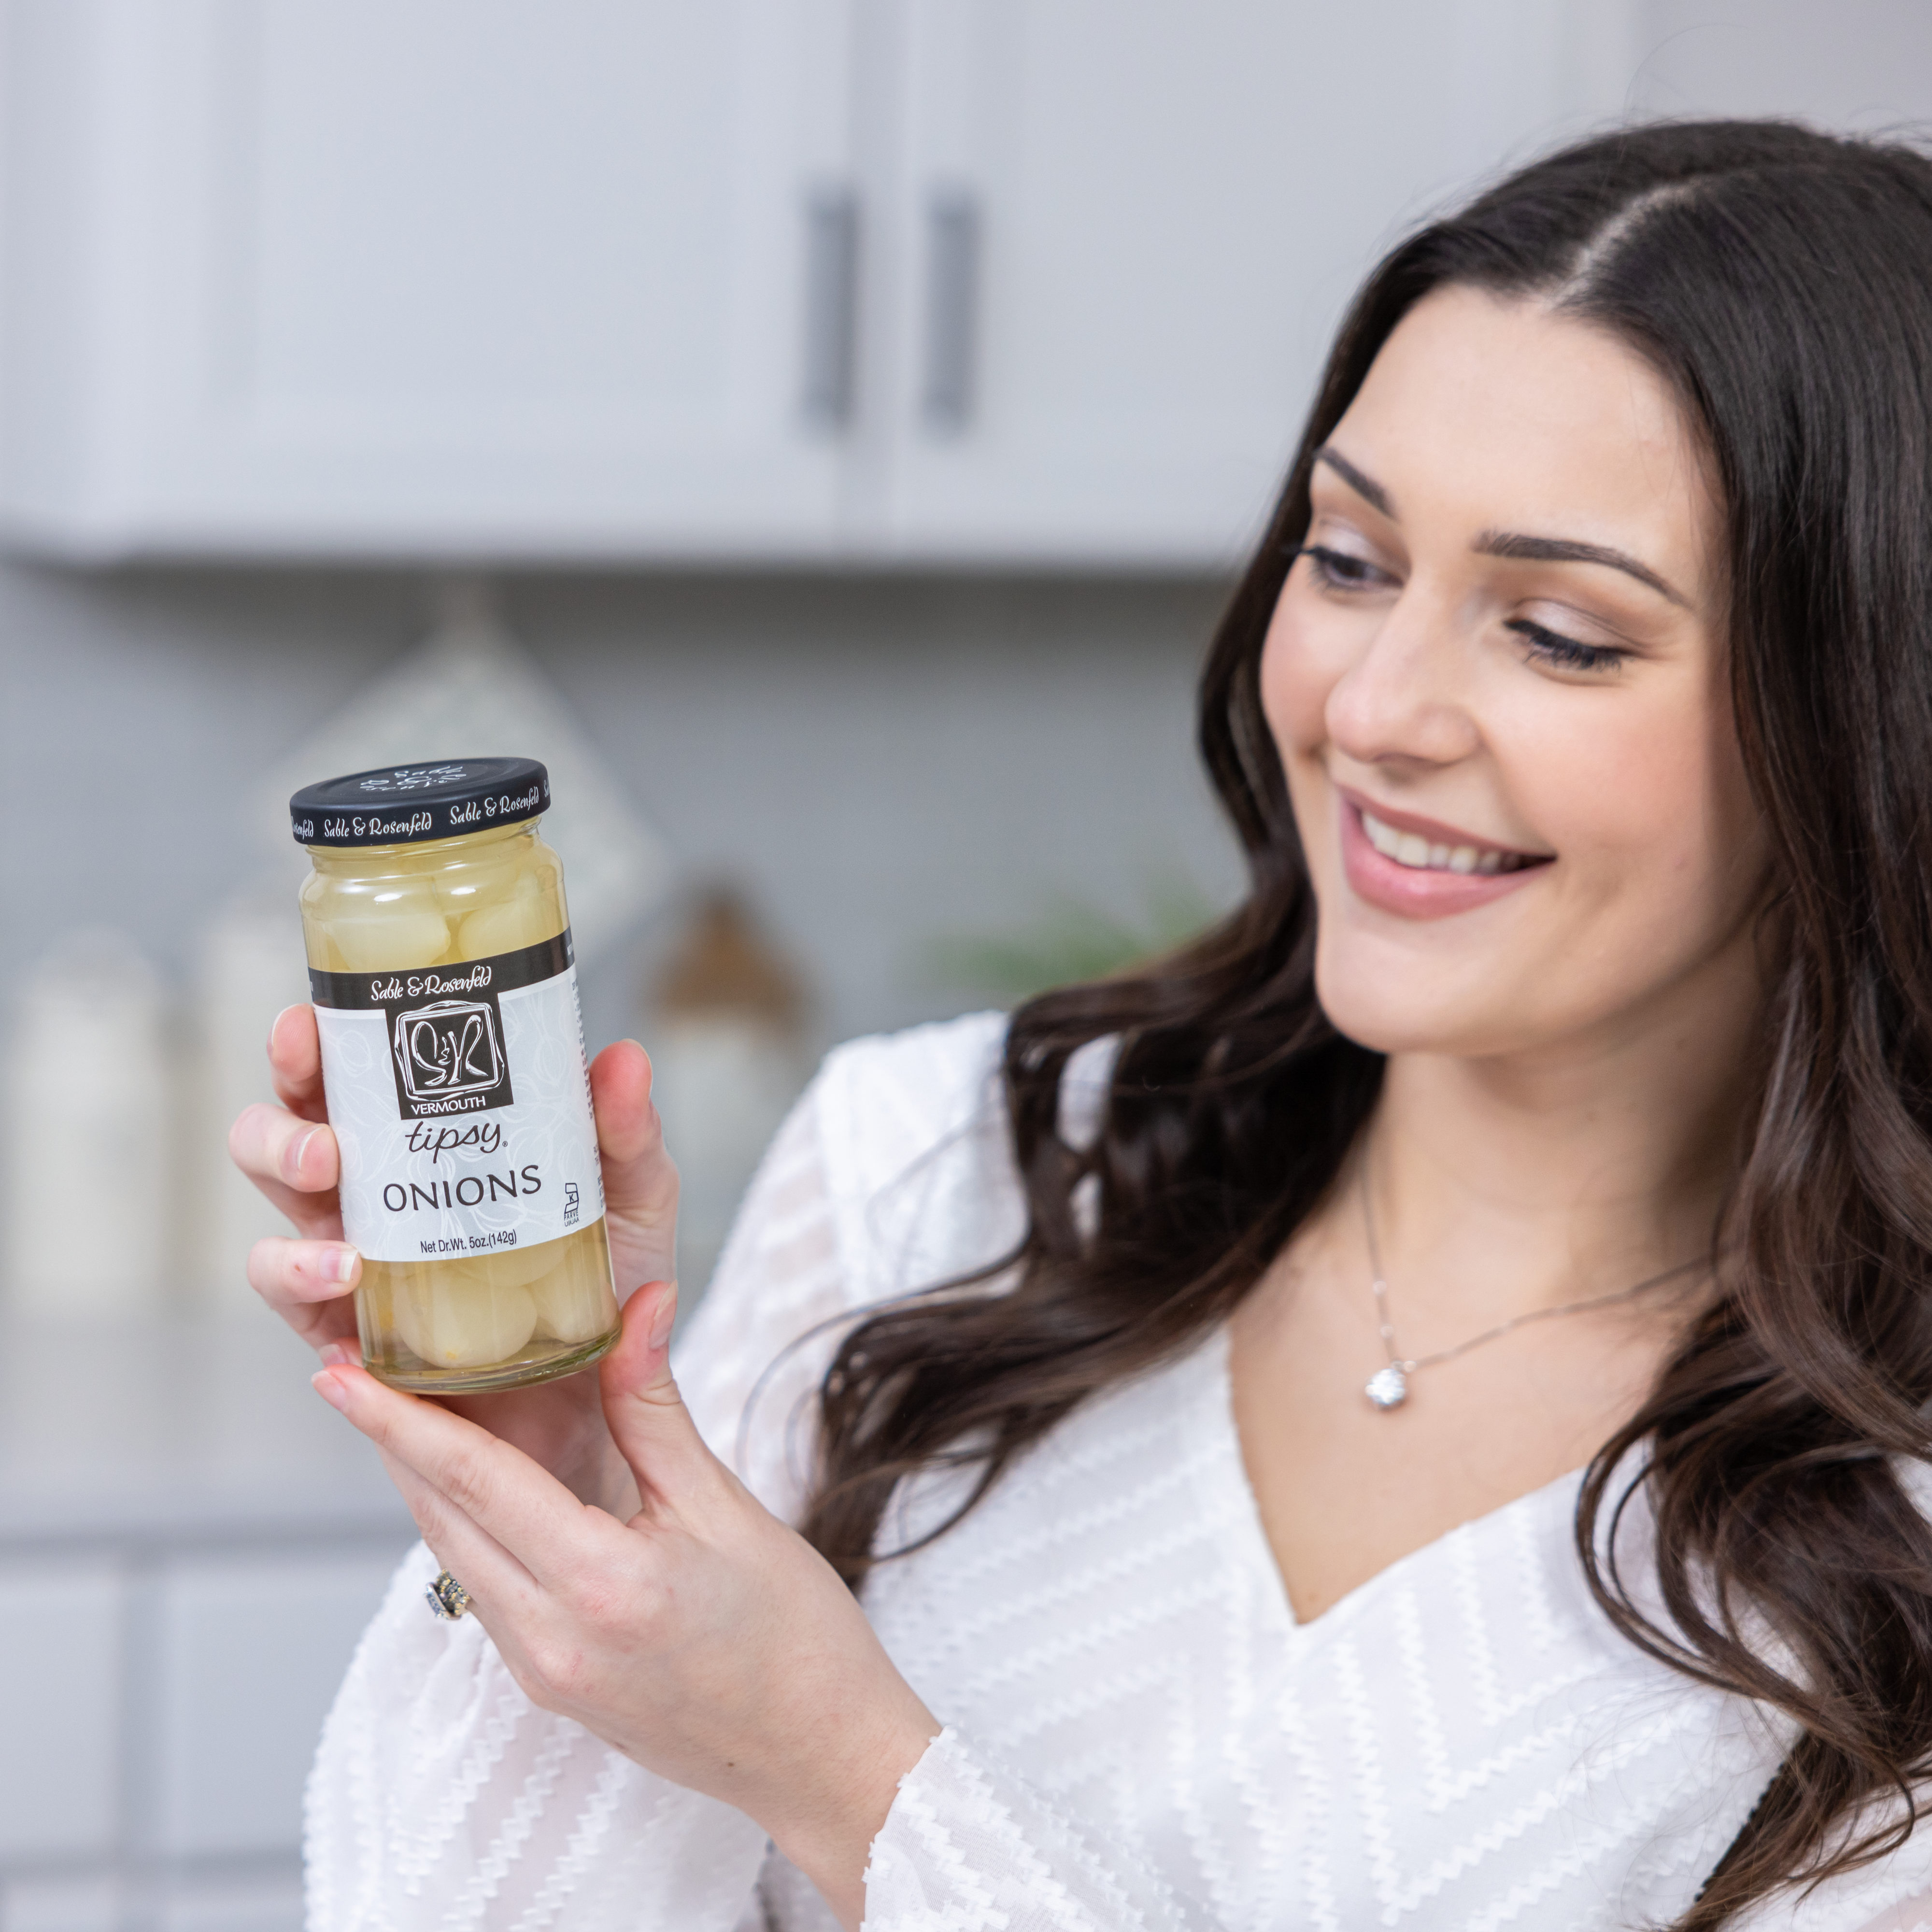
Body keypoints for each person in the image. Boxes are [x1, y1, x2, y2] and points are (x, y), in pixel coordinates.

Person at [231, 117, 1932, 1930]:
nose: (1373, 708)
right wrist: (548, 1479)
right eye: (1348, 559)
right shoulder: (938, 1172)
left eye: (1562, 633)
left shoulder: (1882, 1548)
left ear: (1863, 717)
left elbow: (824, 1772)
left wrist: (853, 1779)